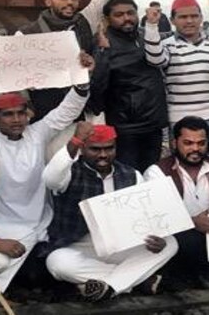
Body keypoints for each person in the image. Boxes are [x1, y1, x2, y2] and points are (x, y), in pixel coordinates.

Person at [0, 55, 95, 306]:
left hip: (36, 218)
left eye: (21, 113)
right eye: (8, 115)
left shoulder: (37, 133)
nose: (17, 119)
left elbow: (67, 111)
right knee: (0, 258)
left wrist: (82, 80)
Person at [41, 122, 177, 301]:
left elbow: (144, 216)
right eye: (95, 149)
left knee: (170, 243)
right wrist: (75, 140)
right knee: (57, 263)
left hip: (120, 245)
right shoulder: (69, 174)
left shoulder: (132, 174)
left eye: (109, 148)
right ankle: (136, 281)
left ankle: (109, 286)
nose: (103, 155)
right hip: (80, 245)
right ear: (82, 148)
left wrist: (156, 236)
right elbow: (49, 179)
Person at [19, 0, 132, 119]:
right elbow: (16, 76)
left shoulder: (85, 21)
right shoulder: (26, 34)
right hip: (45, 116)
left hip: (84, 112)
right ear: (48, 1)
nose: (69, 2)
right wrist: (25, 107)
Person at [143, 117, 209, 288]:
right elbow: (159, 219)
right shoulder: (157, 172)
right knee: (186, 241)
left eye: (201, 143)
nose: (195, 149)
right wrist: (193, 222)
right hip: (182, 239)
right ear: (174, 143)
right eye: (188, 143)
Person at [144, 0, 209, 173]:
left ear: (201, 18)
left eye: (194, 16)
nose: (189, 21)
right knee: (187, 172)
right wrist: (151, 25)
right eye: (183, 17)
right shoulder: (167, 45)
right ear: (173, 20)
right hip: (182, 120)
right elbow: (155, 59)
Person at [89, 0, 169, 171]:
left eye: (130, 13)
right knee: (129, 176)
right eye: (119, 15)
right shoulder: (103, 42)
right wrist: (102, 52)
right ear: (108, 18)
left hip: (154, 122)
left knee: (152, 173)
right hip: (125, 126)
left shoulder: (147, 36)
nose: (126, 18)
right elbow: (97, 83)